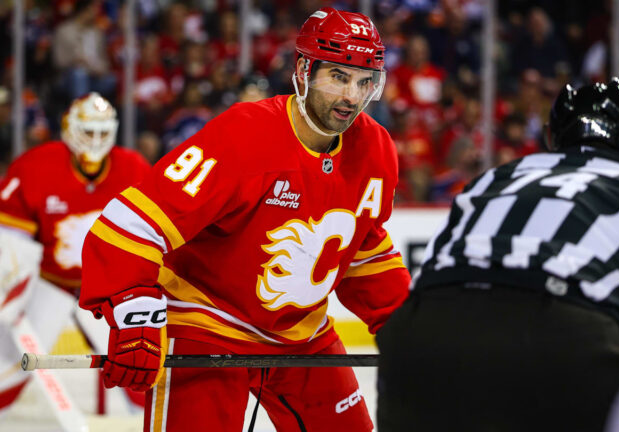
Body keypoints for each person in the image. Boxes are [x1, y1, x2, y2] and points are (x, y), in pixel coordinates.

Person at [79, 7, 411, 432]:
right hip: (206, 326)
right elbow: (132, 224)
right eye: (338, 77)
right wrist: (136, 313)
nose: (352, 96)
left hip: (302, 336)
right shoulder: (243, 135)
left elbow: (364, 248)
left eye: (364, 81)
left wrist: (407, 325)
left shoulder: (376, 149)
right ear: (304, 70)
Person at [376, 77, 619, 432]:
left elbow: (433, 271)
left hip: (416, 340)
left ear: (554, 139)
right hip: (560, 338)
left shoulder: (495, 178)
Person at [0, 92, 150, 431]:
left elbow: (150, 236)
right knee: (3, 361)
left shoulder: (134, 168)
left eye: (103, 132)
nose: (95, 140)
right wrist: (4, 293)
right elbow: (6, 240)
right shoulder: (36, 166)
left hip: (110, 290)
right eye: (88, 131)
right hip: (49, 284)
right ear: (69, 129)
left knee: (142, 362)